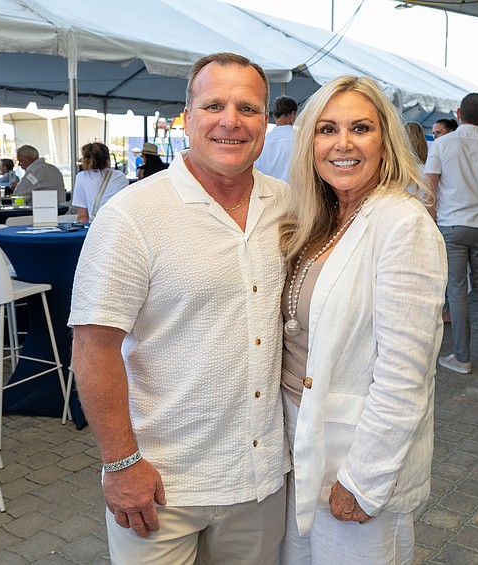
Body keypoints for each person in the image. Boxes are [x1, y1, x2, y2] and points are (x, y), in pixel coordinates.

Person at [68, 52, 289, 564]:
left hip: (260, 479)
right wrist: (120, 464)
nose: (230, 120)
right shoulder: (132, 215)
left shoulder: (289, 206)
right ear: (186, 119)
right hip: (161, 485)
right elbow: (93, 345)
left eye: (248, 108)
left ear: (265, 122)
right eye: (214, 104)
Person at [278, 74, 445, 565]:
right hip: (298, 444)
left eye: (361, 128)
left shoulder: (402, 223)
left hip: (354, 458)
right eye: (327, 129)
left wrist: (364, 480)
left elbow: (405, 372)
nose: (343, 143)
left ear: (385, 141)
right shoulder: (320, 218)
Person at [425, 92, 478, 375]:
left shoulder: (441, 144)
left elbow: (430, 191)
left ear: (458, 113)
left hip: (451, 225)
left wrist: (433, 223)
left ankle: (462, 358)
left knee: (458, 290)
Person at [72, 142, 128, 222]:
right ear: (107, 159)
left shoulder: (82, 177)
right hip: (118, 224)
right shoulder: (120, 176)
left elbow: (83, 216)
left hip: (97, 226)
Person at [255, 95, 298, 182]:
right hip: (294, 193)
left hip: (267, 192)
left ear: (274, 116)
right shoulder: (301, 139)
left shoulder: (262, 141)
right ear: (293, 115)